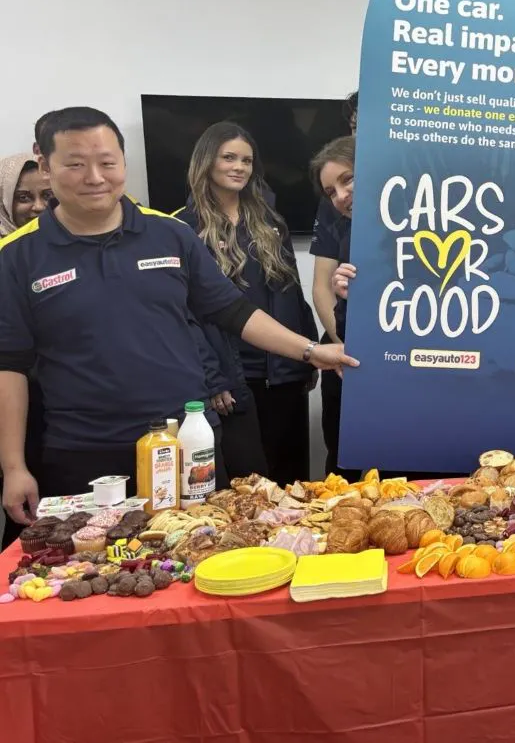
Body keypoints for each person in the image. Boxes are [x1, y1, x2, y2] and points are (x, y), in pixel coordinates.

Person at [0, 108, 357, 525]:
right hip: (84, 451)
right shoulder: (17, 256)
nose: (95, 177)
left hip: (187, 441)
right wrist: (13, 467)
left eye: (108, 163)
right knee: (92, 576)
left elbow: (234, 311)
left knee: (204, 560)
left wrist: (313, 351)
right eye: (76, 164)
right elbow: (10, 365)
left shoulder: (170, 234)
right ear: (44, 165)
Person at [175, 122, 319, 486]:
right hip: (232, 377)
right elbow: (186, 315)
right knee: (248, 486)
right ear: (207, 161)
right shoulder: (181, 228)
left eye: (247, 160)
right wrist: (212, 377)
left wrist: (309, 351)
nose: (239, 167)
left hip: (284, 369)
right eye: (229, 158)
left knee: (293, 481)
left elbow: (292, 290)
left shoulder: (270, 221)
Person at [0, 152, 53, 546]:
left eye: (47, 197)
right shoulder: (10, 258)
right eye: (23, 197)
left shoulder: (59, 251)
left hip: (52, 408)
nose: (36, 208)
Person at [309, 136, 356, 478]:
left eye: (348, 180)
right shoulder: (343, 233)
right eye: (330, 191)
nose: (340, 196)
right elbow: (321, 289)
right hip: (351, 364)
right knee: (346, 467)